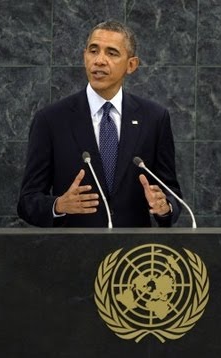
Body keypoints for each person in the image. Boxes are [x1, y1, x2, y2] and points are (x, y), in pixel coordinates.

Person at [17, 20, 182, 227]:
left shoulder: (154, 118)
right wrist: (58, 205)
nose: (100, 60)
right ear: (84, 56)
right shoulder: (51, 119)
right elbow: (27, 202)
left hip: (132, 254)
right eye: (93, 51)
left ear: (131, 65)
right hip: (74, 251)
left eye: (112, 53)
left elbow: (172, 195)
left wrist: (164, 206)